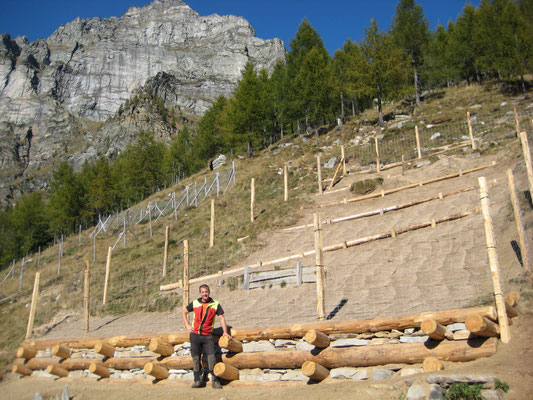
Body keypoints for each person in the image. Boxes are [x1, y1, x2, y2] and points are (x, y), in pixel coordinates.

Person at [182, 284, 231, 389]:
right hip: (195, 335)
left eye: (206, 292)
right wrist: (187, 325)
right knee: (195, 358)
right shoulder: (195, 303)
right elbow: (184, 311)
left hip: (208, 335)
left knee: (211, 358)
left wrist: (225, 332)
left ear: (209, 292)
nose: (205, 294)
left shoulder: (215, 304)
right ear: (200, 293)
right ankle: (197, 380)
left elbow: (222, 318)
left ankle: (215, 380)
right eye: (203, 292)